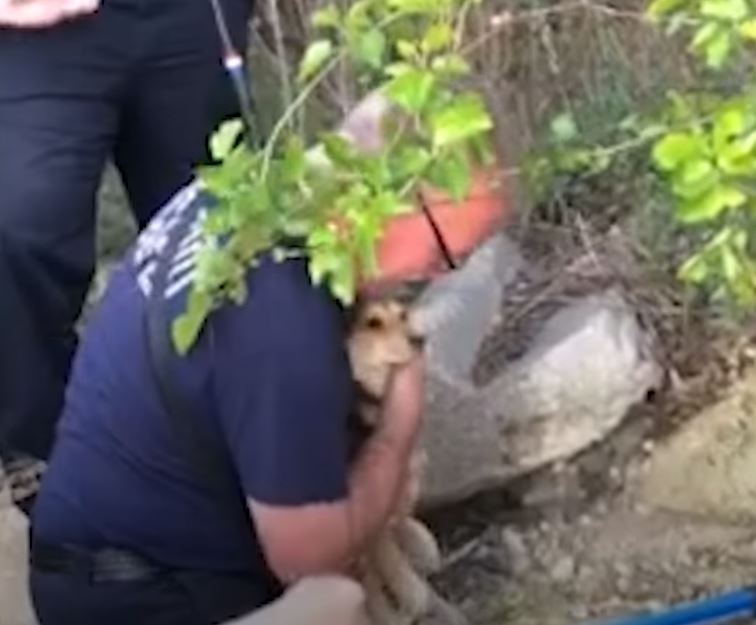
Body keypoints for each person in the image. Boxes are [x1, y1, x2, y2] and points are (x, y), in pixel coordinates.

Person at [26, 92, 506, 624]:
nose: (439, 273)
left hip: (96, 562)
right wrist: (400, 422)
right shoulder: (281, 319)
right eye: (442, 252)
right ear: (375, 199)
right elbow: (310, 559)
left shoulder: (250, 192)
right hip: (136, 601)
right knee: (333, 603)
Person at [0, 0, 255, 511]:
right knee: (19, 229)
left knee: (222, 239)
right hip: (42, 32)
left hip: (193, 18)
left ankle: (238, 460)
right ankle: (43, 465)